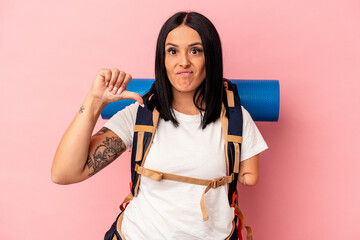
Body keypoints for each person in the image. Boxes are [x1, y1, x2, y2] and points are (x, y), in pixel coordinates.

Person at [52, 11, 268, 240]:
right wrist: (94, 101)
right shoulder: (139, 115)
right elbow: (64, 173)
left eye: (195, 50)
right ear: (162, 59)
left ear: (211, 58)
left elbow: (249, 177)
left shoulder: (236, 120)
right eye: (172, 51)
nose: (183, 61)